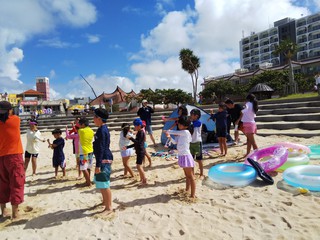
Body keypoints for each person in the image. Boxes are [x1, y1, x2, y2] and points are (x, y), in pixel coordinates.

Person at [0, 101, 25, 219]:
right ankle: (15, 212)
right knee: (16, 182)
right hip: (14, 156)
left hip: (1, 157)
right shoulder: (15, 120)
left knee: (2, 183)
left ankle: (3, 211)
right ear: (9, 110)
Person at [164, 117, 196, 198]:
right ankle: (187, 190)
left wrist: (168, 131)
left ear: (185, 126)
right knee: (187, 176)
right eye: (179, 123)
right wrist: (169, 137)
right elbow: (175, 142)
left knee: (191, 176)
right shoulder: (180, 133)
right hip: (181, 155)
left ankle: (193, 195)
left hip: (186, 156)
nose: (179, 125)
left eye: (180, 124)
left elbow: (172, 131)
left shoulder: (185, 132)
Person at [93, 108, 113, 214]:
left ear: (99, 119)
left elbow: (101, 148)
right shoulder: (102, 129)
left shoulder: (102, 130)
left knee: (104, 184)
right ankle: (105, 202)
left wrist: (98, 165)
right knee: (100, 182)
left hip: (104, 159)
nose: (93, 119)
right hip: (102, 158)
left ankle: (109, 207)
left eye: (94, 117)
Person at [125, 118, 147, 185]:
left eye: (135, 126)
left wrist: (131, 138)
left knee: (138, 166)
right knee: (139, 166)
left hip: (141, 151)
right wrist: (127, 147)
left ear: (139, 125)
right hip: (139, 150)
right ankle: (141, 179)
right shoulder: (139, 132)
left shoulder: (141, 133)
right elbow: (136, 143)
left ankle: (144, 180)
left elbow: (138, 143)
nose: (134, 127)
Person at [78, 117, 94, 186]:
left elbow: (77, 129)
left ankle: (88, 182)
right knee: (88, 167)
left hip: (83, 152)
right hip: (90, 150)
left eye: (80, 124)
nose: (79, 125)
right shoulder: (91, 130)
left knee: (83, 168)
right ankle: (88, 180)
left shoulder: (81, 131)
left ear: (83, 124)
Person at [189, 109, 203, 178]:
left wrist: (189, 122)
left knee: (199, 159)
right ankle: (192, 173)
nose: (190, 116)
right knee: (191, 159)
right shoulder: (192, 122)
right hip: (191, 143)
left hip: (197, 142)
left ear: (196, 116)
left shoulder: (198, 122)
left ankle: (201, 173)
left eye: (192, 115)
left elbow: (193, 124)